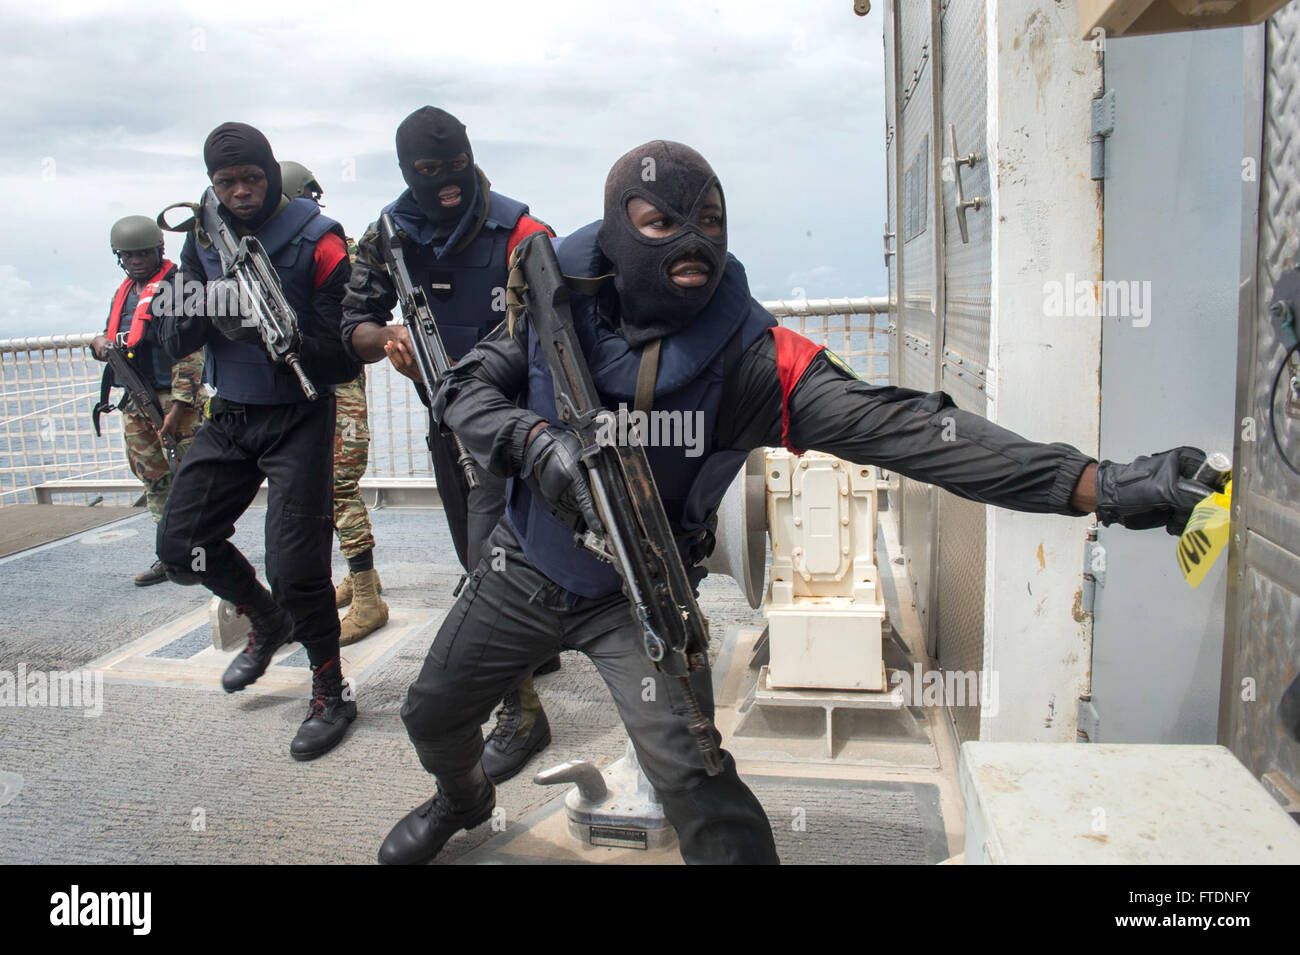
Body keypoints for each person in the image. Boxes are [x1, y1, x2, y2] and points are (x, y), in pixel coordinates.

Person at [378, 140, 1221, 865]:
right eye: (663, 224)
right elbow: (465, 389)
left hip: (640, 597)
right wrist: (535, 445)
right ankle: (463, 803)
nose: (693, 242)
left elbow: (915, 431)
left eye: (710, 221)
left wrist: (1103, 485)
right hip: (521, 569)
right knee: (431, 714)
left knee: (701, 792)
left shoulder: (754, 355)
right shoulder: (556, 292)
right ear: (618, 225)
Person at [341, 106, 558, 782]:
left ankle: (522, 709)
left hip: (525, 425)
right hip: (448, 424)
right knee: (481, 551)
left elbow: (562, 335)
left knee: (494, 563)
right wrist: (388, 341)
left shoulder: (523, 233)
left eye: (454, 167)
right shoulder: (388, 235)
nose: (446, 186)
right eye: (427, 174)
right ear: (408, 173)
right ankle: (526, 667)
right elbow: (352, 322)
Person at [154, 122, 361, 760]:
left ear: (271, 174)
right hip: (231, 413)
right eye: (226, 182)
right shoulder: (202, 234)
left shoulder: (321, 242)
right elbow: (172, 331)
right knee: (180, 545)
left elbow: (342, 358)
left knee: (297, 567)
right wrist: (210, 311)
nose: (240, 192)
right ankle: (265, 618)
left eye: (251, 179)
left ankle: (330, 688)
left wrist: (288, 337)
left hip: (300, 413)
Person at [281, 160, 389, 646]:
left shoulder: (329, 250)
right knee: (320, 491)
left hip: (337, 391)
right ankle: (361, 579)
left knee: (339, 488)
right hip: (304, 391)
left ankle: (369, 600)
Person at [91, 216, 204, 586]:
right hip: (136, 402)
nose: (137, 260)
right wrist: (98, 344)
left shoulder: (178, 288)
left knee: (193, 481)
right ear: (119, 258)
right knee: (154, 481)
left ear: (159, 250)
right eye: (129, 255)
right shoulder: (124, 293)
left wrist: (176, 408)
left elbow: (190, 351)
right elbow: (116, 337)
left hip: (176, 403)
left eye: (144, 253)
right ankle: (168, 555)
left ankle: (204, 556)